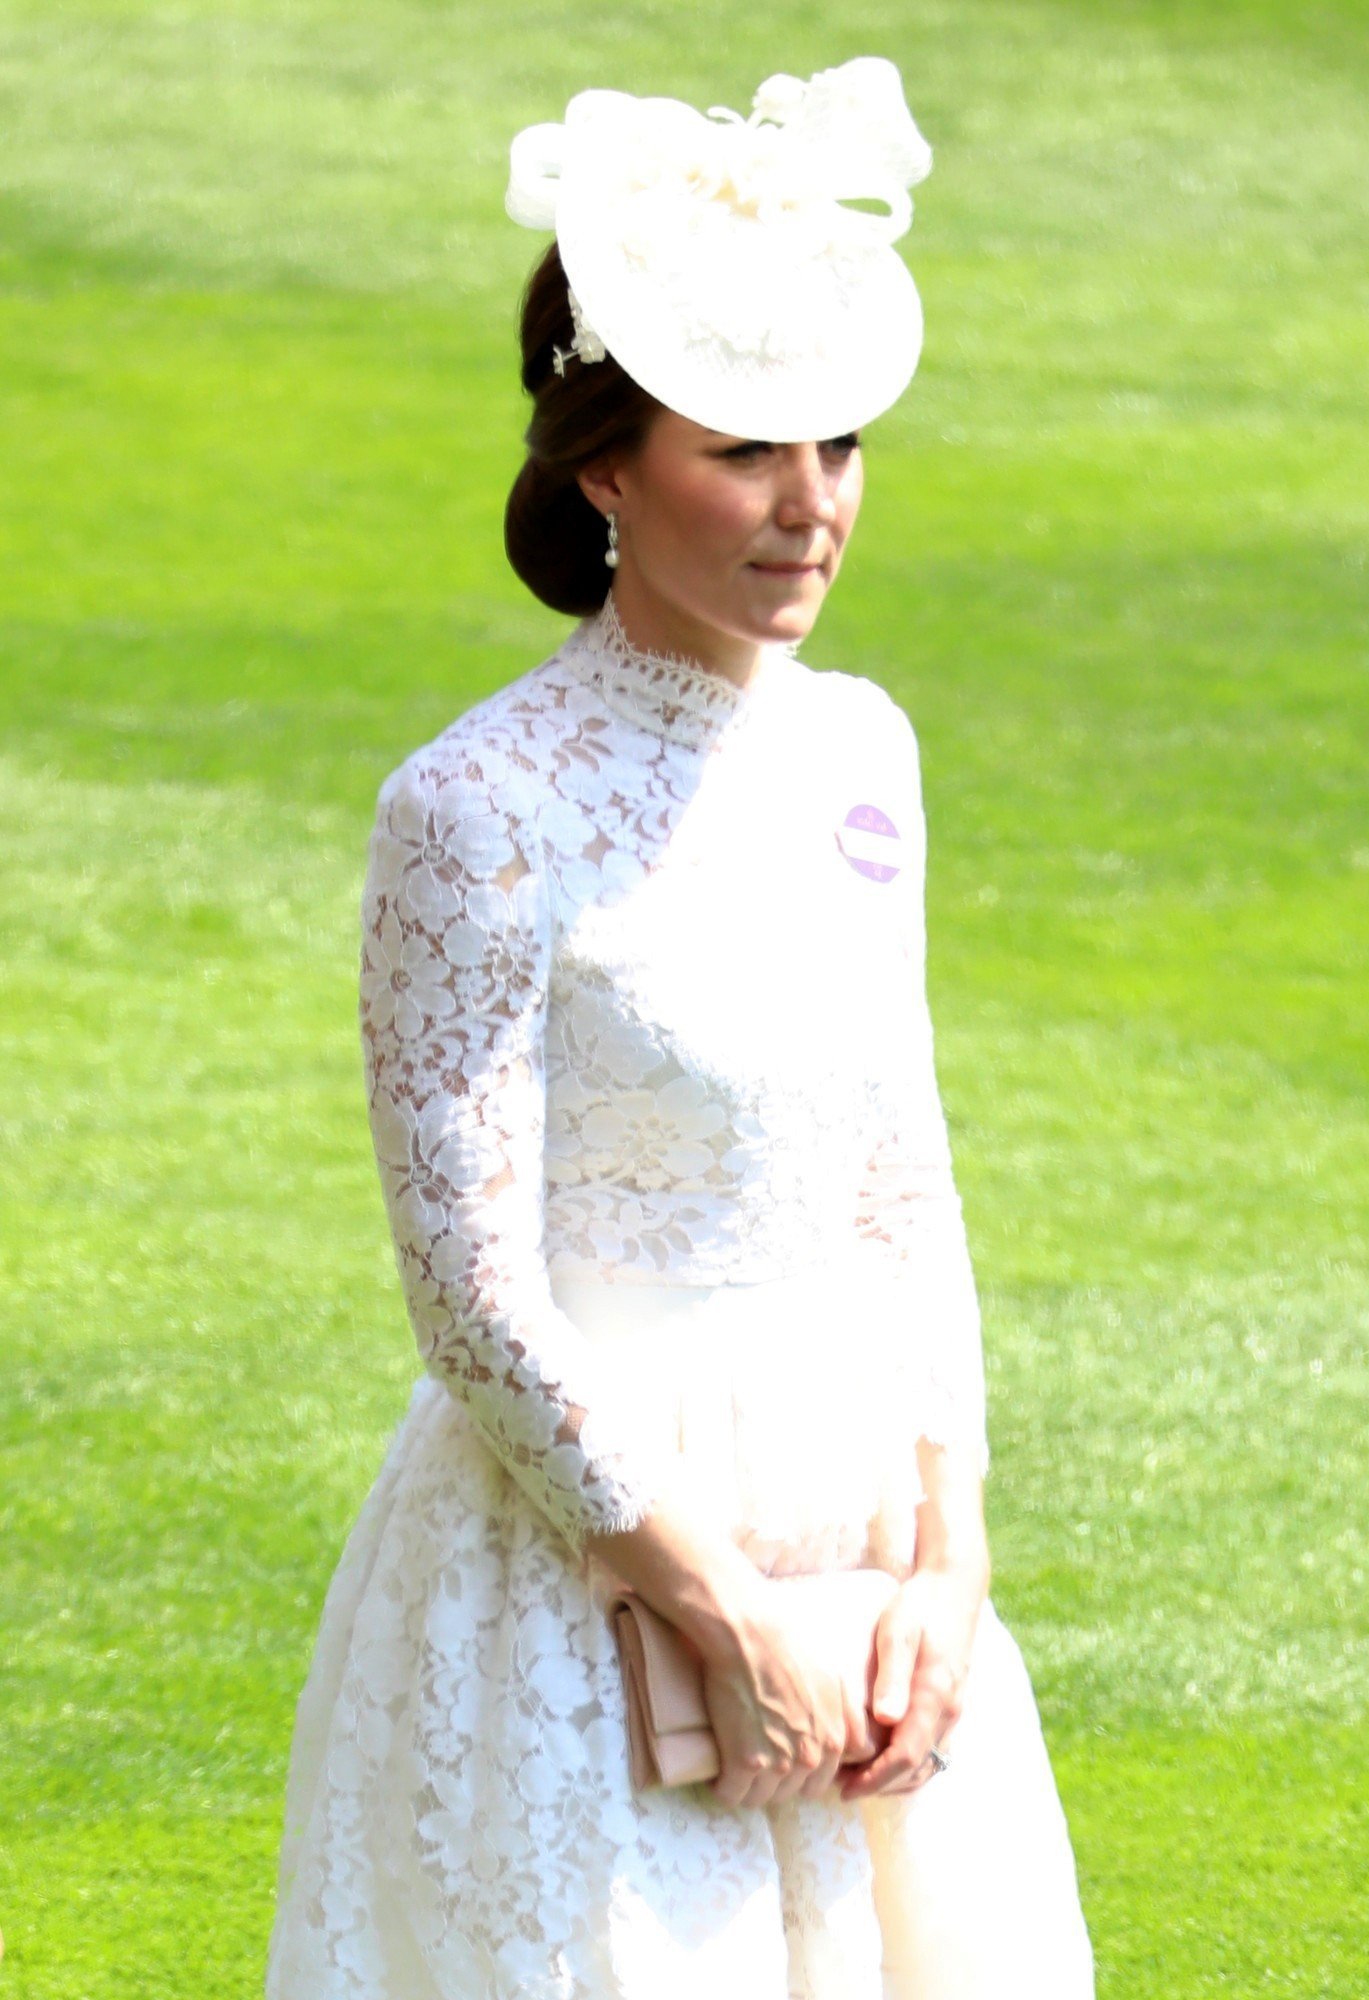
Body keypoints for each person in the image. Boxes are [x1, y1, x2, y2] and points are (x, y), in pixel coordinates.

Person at [265, 56, 1095, 2000]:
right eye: (747, 453)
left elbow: (900, 1168)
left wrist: (946, 1565)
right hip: (590, 1554)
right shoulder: (475, 808)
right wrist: (717, 1614)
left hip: (862, 1546)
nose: (810, 509)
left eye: (841, 448)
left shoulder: (861, 745)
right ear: (603, 469)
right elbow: (468, 1288)